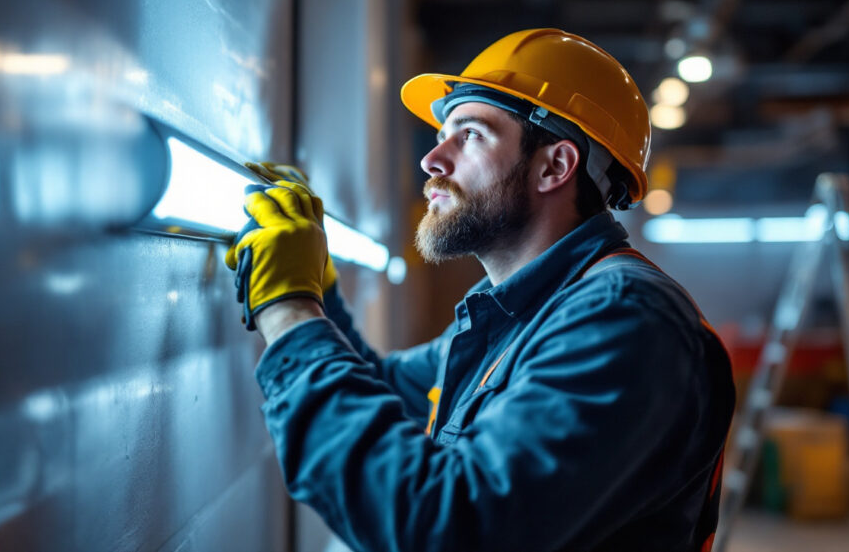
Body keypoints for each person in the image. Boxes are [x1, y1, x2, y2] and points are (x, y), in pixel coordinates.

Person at [224, 29, 735, 552]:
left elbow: (451, 529)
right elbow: (389, 389)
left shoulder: (624, 319)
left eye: (469, 134)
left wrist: (287, 309)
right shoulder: (522, 312)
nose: (432, 160)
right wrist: (318, 290)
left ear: (554, 166)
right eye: (443, 133)